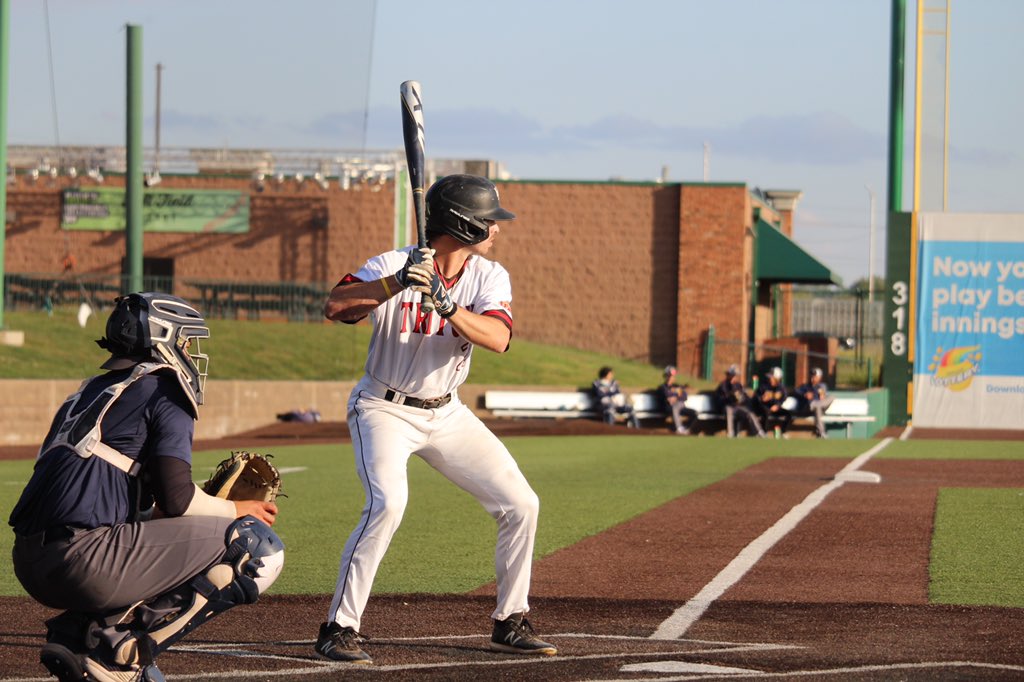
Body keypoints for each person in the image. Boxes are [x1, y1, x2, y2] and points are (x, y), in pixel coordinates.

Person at [317, 174, 556, 664]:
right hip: (382, 409)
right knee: (387, 505)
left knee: (521, 504)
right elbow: (335, 307)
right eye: (489, 221)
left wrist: (448, 306)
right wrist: (398, 282)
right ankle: (338, 628)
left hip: (447, 412)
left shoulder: (489, 275)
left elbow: (498, 338)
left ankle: (510, 621)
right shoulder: (391, 264)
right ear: (462, 224)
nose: (497, 230)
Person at [9, 292, 283, 682]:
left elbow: (127, 503)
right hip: (84, 561)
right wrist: (237, 511)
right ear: (163, 338)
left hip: (31, 560)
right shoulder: (164, 388)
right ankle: (118, 656)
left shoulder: (91, 391)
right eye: (187, 341)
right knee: (255, 547)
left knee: (166, 534)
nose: (190, 351)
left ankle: (79, 635)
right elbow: (177, 499)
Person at [714, 364, 765, 438]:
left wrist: (741, 399)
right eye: (733, 375)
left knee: (749, 413)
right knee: (729, 411)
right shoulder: (723, 385)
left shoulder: (738, 385)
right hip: (727, 406)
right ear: (729, 375)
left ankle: (759, 432)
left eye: (735, 375)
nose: (734, 377)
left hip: (738, 406)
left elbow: (745, 397)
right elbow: (720, 399)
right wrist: (731, 396)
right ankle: (730, 433)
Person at [795, 367, 834, 438]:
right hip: (809, 407)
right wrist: (805, 394)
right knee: (817, 407)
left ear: (819, 377)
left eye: (815, 376)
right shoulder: (805, 386)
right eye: (812, 376)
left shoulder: (822, 386)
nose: (812, 378)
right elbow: (795, 392)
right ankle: (822, 433)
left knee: (832, 397)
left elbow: (824, 397)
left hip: (820, 406)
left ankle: (821, 433)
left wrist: (823, 395)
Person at [657, 365, 697, 435]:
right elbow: (667, 396)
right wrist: (677, 394)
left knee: (694, 413)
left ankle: (685, 428)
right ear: (666, 376)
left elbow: (684, 396)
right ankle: (679, 428)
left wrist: (675, 397)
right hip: (669, 407)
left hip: (681, 406)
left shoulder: (677, 386)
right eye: (669, 376)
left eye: (672, 376)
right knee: (674, 407)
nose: (671, 378)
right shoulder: (662, 387)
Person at [754, 366, 793, 437]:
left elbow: (783, 397)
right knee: (766, 412)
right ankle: (764, 432)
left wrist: (777, 405)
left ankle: (783, 432)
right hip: (764, 407)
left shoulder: (781, 388)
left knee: (789, 414)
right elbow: (757, 397)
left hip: (776, 407)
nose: (770, 378)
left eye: (772, 377)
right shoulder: (763, 386)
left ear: (777, 378)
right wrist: (762, 399)